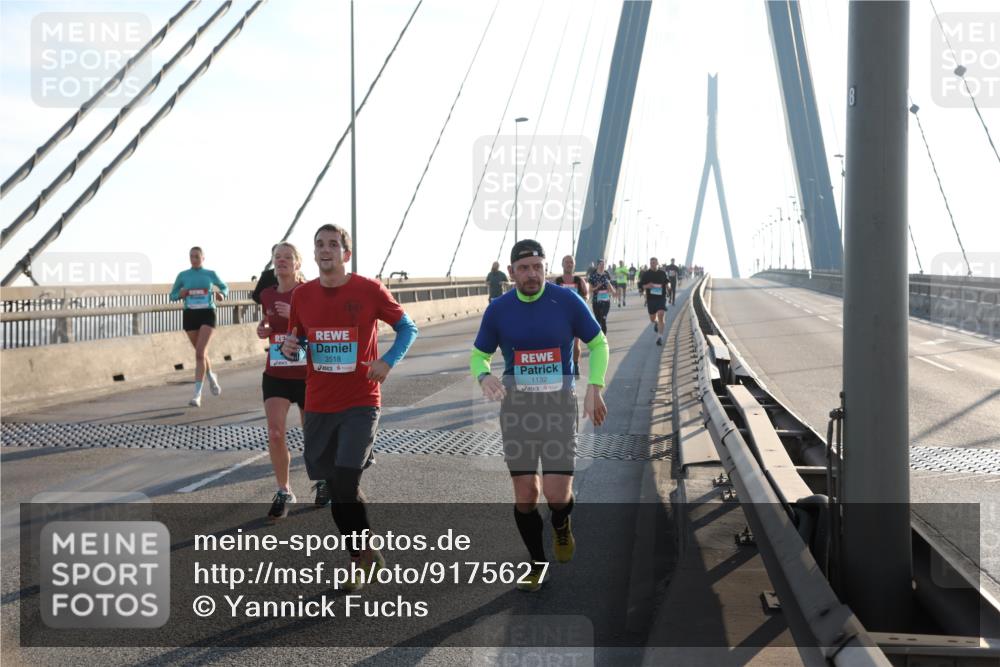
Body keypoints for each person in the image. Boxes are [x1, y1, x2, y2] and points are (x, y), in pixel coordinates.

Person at [280, 224, 418, 590]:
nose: (325, 250)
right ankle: (367, 551)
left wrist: (387, 361)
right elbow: (298, 341)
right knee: (335, 487)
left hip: (360, 400)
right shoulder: (302, 295)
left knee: (345, 481)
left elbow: (408, 329)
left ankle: (357, 562)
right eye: (319, 244)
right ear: (314, 253)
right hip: (319, 402)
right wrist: (291, 348)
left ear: (346, 253)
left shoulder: (369, 290)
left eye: (333, 244)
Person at [470, 239, 609, 592]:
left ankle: (561, 524)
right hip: (517, 409)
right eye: (524, 268)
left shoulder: (567, 301)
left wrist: (594, 387)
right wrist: (484, 376)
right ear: (511, 272)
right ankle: (536, 563)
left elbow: (598, 343)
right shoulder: (498, 309)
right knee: (526, 494)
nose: (531, 274)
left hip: (558, 407)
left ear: (546, 268)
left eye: (537, 267)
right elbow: (479, 355)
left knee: (556, 495)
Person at [256, 243, 308, 521]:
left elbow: (322, 328)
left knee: (313, 434)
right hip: (277, 371)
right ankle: (283, 490)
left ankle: (322, 481)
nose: (282, 261)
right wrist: (263, 328)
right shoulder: (267, 294)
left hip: (307, 374)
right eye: (278, 257)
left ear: (298, 263)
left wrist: (295, 316)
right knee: (275, 433)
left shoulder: (309, 291)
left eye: (288, 257)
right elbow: (268, 323)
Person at [169, 247, 228, 407]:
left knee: (200, 353)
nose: (193, 259)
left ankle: (197, 395)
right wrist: (179, 295)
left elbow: (224, 287)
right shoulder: (183, 275)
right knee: (201, 354)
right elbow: (172, 295)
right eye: (191, 256)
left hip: (207, 313)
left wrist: (222, 294)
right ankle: (211, 376)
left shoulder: (210, 274)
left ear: (203, 258)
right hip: (190, 315)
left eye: (196, 256)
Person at [553, 254, 590, 379]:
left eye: (571, 262)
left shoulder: (579, 281)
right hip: (560, 318)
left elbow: (586, 296)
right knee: (560, 343)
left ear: (574, 265)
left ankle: (575, 364)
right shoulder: (557, 281)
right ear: (562, 264)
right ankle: (563, 367)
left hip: (575, 316)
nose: (569, 264)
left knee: (575, 344)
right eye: (567, 262)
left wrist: (579, 302)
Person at [639, 257, 670, 346]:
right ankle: (656, 322)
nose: (652, 264)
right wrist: (647, 286)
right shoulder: (646, 274)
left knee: (661, 314)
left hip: (661, 297)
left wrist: (668, 287)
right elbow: (641, 285)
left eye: (654, 262)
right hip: (651, 299)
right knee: (652, 319)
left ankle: (660, 337)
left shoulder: (662, 273)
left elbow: (667, 282)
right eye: (651, 263)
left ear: (657, 263)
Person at [587, 259, 617, 334]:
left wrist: (612, 291)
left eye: (604, 265)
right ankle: (599, 335)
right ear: (597, 265)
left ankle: (604, 337)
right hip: (596, 301)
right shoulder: (593, 276)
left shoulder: (606, 274)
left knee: (603, 319)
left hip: (606, 300)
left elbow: (609, 284)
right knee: (598, 320)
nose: (602, 266)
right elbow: (590, 290)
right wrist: (597, 287)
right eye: (601, 264)